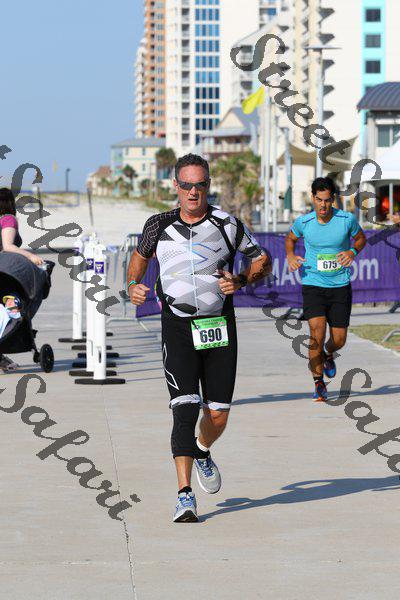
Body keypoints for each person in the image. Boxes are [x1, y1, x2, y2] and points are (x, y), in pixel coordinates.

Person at [127, 153, 271, 522]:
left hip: (218, 327)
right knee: (185, 409)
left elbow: (262, 260)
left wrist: (241, 280)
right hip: (177, 328)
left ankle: (202, 449)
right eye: (187, 185)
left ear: (208, 185)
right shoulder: (158, 225)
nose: (194, 192)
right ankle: (184, 495)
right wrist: (132, 285)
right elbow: (139, 259)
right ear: (175, 186)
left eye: (200, 185)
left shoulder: (227, 224)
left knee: (217, 416)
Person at [285, 177, 367, 402]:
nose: (323, 205)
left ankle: (328, 354)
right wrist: (290, 255)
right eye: (319, 200)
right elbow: (290, 239)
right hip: (313, 284)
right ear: (313, 198)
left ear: (333, 199)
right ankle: (318, 383)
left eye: (327, 200)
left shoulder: (346, 220)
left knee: (339, 340)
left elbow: (361, 238)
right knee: (316, 333)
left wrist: (352, 252)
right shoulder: (304, 222)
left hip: (340, 286)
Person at [0, 187, 43, 371]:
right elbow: (8, 246)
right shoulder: (8, 219)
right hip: (7, 273)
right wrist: (30, 256)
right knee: (16, 308)